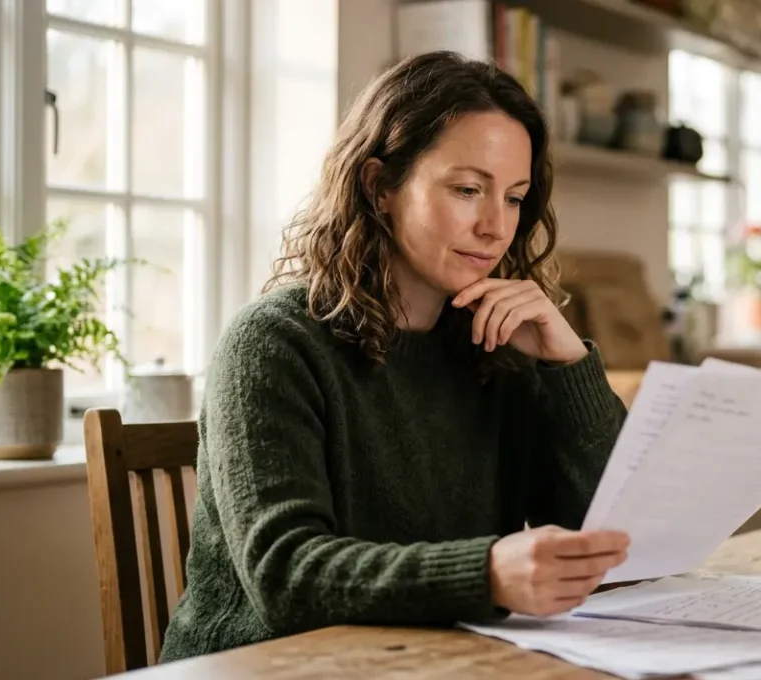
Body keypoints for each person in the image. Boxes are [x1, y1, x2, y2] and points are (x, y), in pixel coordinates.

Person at [159, 51, 631, 662]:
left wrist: (567, 366)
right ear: (379, 186)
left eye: (515, 198)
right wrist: (486, 573)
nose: (496, 226)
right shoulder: (273, 342)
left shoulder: (498, 349)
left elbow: (608, 536)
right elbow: (284, 574)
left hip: (429, 660)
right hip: (262, 666)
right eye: (468, 190)